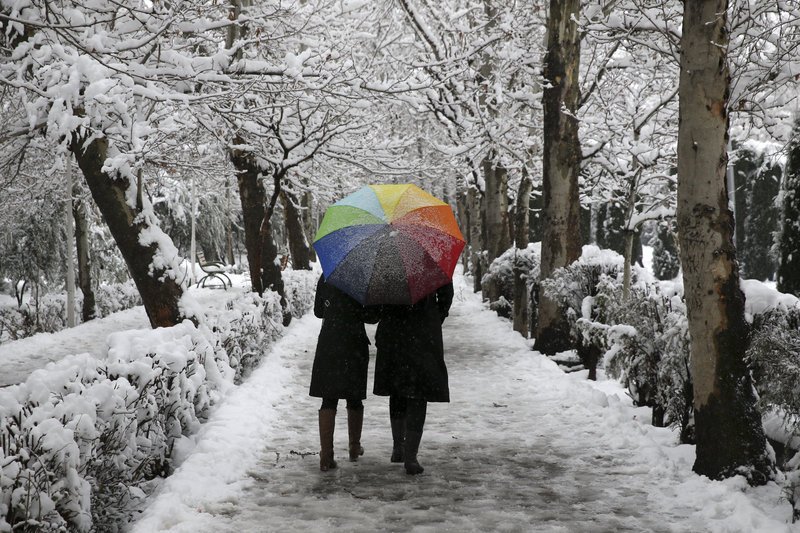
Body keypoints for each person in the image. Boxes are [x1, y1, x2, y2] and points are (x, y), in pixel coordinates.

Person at [373, 281, 454, 475]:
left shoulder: (387, 262)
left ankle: (398, 448)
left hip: (394, 332)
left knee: (398, 388)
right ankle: (410, 456)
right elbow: (446, 295)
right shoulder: (431, 259)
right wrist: (434, 315)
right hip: (423, 331)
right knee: (418, 391)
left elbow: (375, 304)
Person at [310, 275, 378, 471]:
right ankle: (354, 447)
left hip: (329, 342)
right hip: (353, 343)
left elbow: (317, 311)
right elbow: (372, 316)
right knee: (354, 396)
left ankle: (326, 455)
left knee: (328, 399)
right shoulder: (362, 278)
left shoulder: (327, 276)